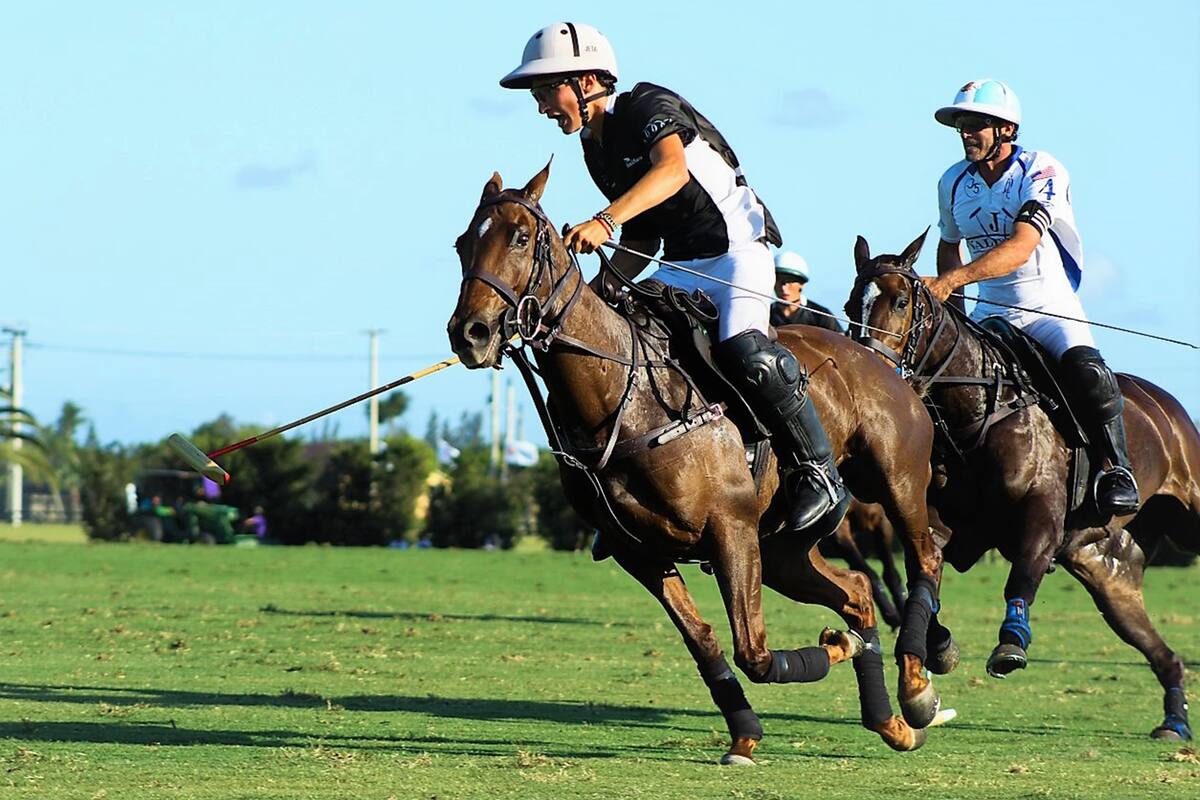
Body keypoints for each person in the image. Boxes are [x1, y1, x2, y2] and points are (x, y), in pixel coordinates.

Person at [499, 22, 848, 535]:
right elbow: (642, 237)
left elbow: (673, 172)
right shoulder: (595, 148)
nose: (543, 106)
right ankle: (629, 499)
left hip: (737, 254)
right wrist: (591, 298)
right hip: (681, 267)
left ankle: (819, 473)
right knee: (629, 353)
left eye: (548, 91)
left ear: (587, 80)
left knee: (743, 350)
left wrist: (604, 220)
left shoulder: (646, 106)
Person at [924, 78, 1138, 516]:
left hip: (1048, 305)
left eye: (976, 124)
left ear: (1005, 129)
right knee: (941, 382)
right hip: (990, 310)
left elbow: (1021, 245)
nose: (966, 132)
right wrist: (955, 312)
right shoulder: (952, 182)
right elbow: (949, 243)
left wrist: (952, 280)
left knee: (1090, 373)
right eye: (962, 124)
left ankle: (1116, 468)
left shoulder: (1041, 170)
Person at [770, 251, 844, 332]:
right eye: (779, 280)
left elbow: (842, 342)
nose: (784, 287)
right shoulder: (765, 315)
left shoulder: (820, 315)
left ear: (802, 283)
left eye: (790, 281)